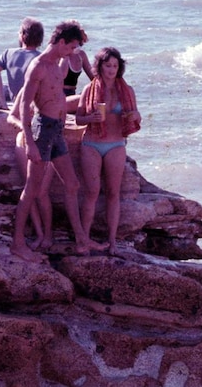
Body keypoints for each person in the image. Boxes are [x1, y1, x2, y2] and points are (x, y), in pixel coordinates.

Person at [12, 21, 104, 262]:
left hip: (57, 132)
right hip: (42, 130)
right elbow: (24, 106)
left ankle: (81, 238)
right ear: (61, 42)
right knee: (32, 188)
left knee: (72, 184)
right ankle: (17, 243)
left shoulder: (57, 66)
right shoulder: (39, 66)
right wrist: (30, 142)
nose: (72, 51)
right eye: (71, 46)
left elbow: (60, 98)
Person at [75, 47, 142, 255]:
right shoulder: (89, 89)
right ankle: (84, 239)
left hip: (115, 144)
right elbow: (78, 119)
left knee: (114, 193)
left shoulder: (127, 90)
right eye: (107, 65)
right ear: (100, 66)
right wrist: (90, 119)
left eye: (115, 66)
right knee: (91, 192)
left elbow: (137, 116)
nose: (111, 70)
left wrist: (135, 115)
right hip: (91, 143)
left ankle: (112, 241)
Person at [7, 87, 54, 250]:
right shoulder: (26, 90)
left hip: (47, 140)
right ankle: (40, 234)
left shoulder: (54, 87)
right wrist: (26, 128)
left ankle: (48, 234)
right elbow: (11, 117)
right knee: (29, 189)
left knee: (42, 192)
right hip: (25, 140)